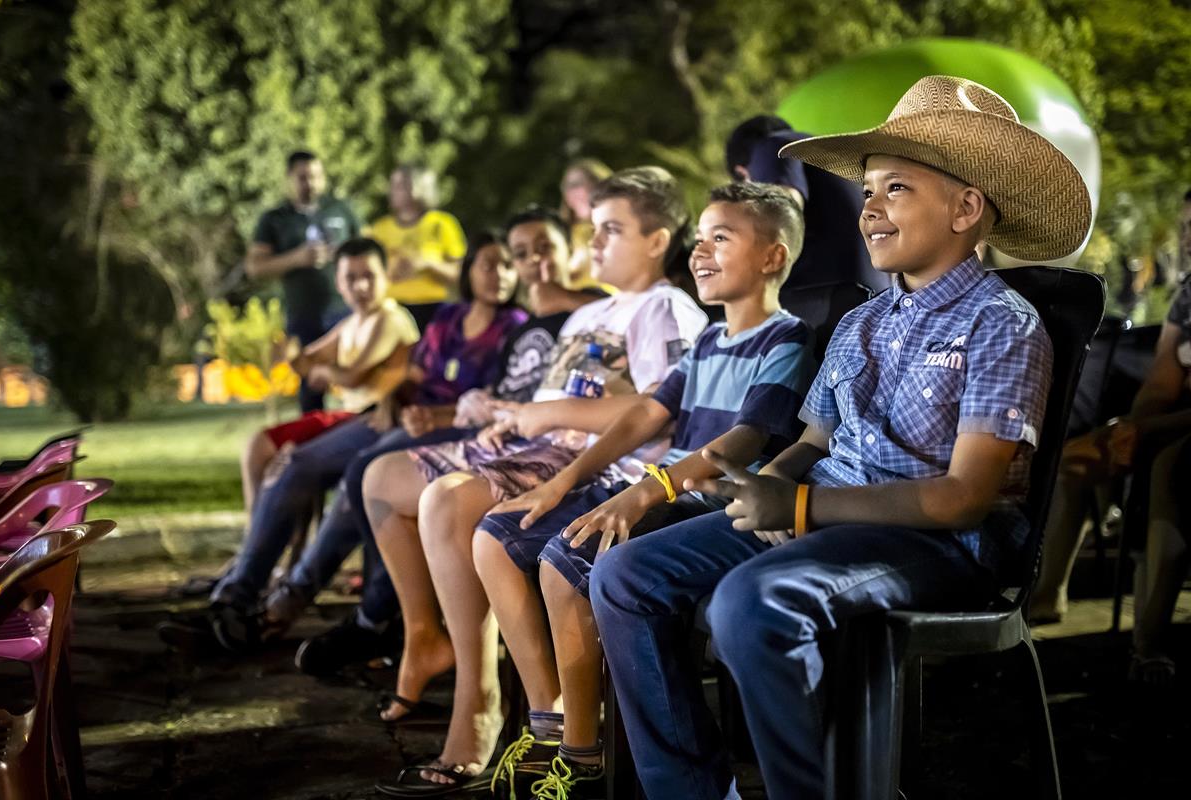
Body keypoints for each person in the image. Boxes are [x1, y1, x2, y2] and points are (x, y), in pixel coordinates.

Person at [591, 75, 1091, 799]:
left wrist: (796, 512)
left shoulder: (1001, 325)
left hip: (937, 543)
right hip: (823, 512)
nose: (871, 210)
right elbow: (816, 441)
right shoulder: (861, 323)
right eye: (868, 193)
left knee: (750, 603)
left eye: (896, 190)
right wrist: (773, 484)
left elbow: (963, 499)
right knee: (625, 575)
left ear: (966, 207)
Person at [365, 166, 708, 795]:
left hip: (590, 458)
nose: (594, 244)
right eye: (593, 230)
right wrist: (507, 420)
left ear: (657, 240)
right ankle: (428, 636)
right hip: (535, 444)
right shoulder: (585, 318)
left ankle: (482, 701)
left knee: (449, 501)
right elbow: (550, 400)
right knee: (382, 475)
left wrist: (541, 415)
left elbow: (660, 411)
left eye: (610, 231)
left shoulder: (665, 308)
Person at [473, 181, 815, 798]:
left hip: (705, 502)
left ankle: (582, 758)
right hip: (662, 492)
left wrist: (646, 491)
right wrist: (563, 481)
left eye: (722, 238)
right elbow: (643, 416)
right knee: (511, 532)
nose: (700, 251)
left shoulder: (785, 338)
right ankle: (561, 732)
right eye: (701, 237)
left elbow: (738, 445)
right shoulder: (709, 339)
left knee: (566, 560)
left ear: (773, 258)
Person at [285, 207, 603, 677]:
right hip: (489, 430)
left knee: (410, 488)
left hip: (543, 446)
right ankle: (397, 624)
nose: (533, 262)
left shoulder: (591, 311)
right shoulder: (515, 328)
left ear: (567, 252)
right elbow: (487, 396)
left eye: (544, 249)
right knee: (365, 475)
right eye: (521, 254)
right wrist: (407, 400)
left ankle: (377, 619)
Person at [193, 233, 525, 652]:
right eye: (488, 264)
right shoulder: (448, 318)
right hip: (397, 414)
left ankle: (284, 603)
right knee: (294, 463)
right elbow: (415, 374)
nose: (500, 274)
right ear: (469, 270)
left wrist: (430, 415)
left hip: (444, 427)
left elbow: (496, 400)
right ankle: (236, 595)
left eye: (507, 265)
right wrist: (392, 395)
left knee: (361, 476)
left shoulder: (515, 330)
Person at [1032, 272, 1191, 684]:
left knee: (1167, 467)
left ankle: (1149, 643)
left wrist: (1146, 432)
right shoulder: (1186, 295)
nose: (1189, 241)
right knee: (1073, 459)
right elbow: (1160, 382)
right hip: (1166, 420)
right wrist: (1131, 427)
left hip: (1181, 432)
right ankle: (1049, 593)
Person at [238, 239, 420, 523]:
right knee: (259, 446)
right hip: (347, 418)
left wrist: (325, 373)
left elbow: (353, 376)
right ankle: (256, 539)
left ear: (386, 276)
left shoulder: (390, 319)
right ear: (339, 283)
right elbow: (306, 361)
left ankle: (275, 555)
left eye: (369, 276)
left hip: (372, 420)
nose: (361, 286)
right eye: (351, 278)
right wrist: (290, 352)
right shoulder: (351, 323)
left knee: (289, 461)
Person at [246, 150, 362, 412]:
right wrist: (296, 259)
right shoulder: (275, 219)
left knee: (357, 382)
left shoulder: (340, 209)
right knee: (310, 387)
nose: (311, 183)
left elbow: (367, 251)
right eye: (303, 177)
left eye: (316, 176)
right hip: (303, 315)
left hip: (345, 311)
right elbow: (254, 267)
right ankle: (314, 445)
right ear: (289, 178)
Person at [726, 115, 887, 296]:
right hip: (876, 295)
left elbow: (781, 211)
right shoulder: (830, 156)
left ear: (742, 173)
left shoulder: (774, 146)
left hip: (830, 302)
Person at [366, 164, 467, 323]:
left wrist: (426, 264)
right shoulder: (379, 229)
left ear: (420, 187)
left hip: (435, 310)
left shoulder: (442, 224)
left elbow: (462, 275)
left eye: (400, 185)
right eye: (392, 185)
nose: (392, 191)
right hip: (392, 309)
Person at [559, 158, 612, 291]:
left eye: (578, 184)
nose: (572, 192)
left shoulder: (620, 228)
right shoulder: (562, 234)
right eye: (567, 186)